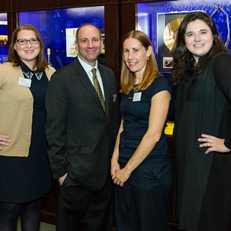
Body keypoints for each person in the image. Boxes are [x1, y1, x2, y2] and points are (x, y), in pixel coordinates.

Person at [46, 23, 118, 231]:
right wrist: (61, 173)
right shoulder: (62, 79)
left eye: (95, 40)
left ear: (102, 43)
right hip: (75, 175)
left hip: (105, 173)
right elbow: (54, 129)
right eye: (84, 40)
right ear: (76, 45)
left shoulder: (109, 75)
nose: (90, 45)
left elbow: (111, 122)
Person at [171, 11, 231, 231]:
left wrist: (227, 143)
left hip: (210, 168)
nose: (197, 39)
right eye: (190, 34)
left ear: (214, 35)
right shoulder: (190, 70)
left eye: (203, 32)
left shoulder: (220, 62)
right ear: (183, 40)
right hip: (191, 165)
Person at [111, 30, 172, 231]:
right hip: (124, 166)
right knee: (126, 224)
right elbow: (123, 124)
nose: (130, 57)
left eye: (136, 50)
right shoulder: (128, 86)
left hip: (148, 169)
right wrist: (115, 159)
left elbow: (154, 134)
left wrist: (127, 170)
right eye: (126, 51)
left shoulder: (160, 85)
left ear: (148, 52)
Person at [0, 24, 55, 231]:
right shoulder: (4, 71)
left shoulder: (50, 72)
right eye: (22, 41)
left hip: (41, 153)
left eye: (33, 40)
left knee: (34, 205)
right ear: (14, 46)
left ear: (40, 45)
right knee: (10, 209)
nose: (28, 45)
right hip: (12, 153)